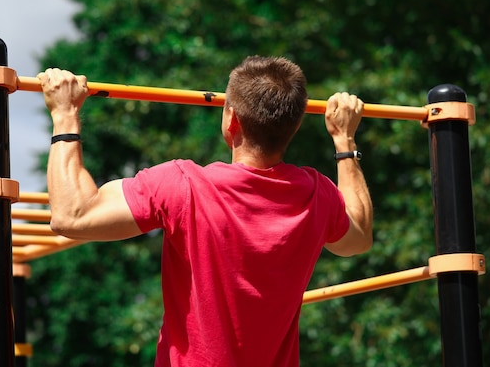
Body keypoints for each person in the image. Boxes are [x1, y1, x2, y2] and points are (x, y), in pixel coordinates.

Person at [37, 56, 373, 367]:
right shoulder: (316, 194)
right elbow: (357, 239)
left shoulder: (184, 185)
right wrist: (345, 141)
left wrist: (65, 114)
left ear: (231, 119)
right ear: (297, 124)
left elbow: (71, 215)